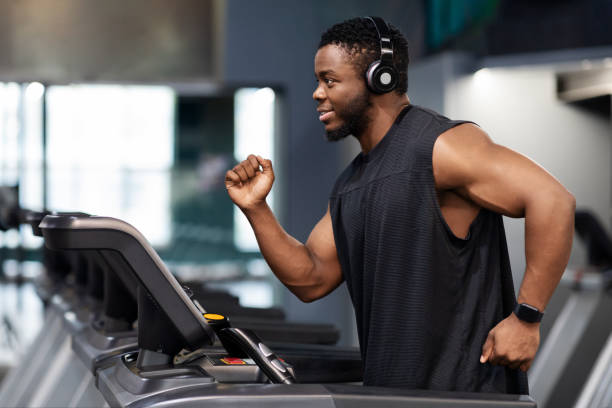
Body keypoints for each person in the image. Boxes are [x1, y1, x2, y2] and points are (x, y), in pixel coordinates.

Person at [224, 17, 575, 394]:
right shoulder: (352, 184)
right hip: (394, 396)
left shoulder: (442, 147)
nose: (317, 93)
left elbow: (551, 199)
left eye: (330, 80)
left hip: (464, 396)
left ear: (379, 79)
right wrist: (256, 209)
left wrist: (526, 318)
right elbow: (311, 278)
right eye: (317, 81)